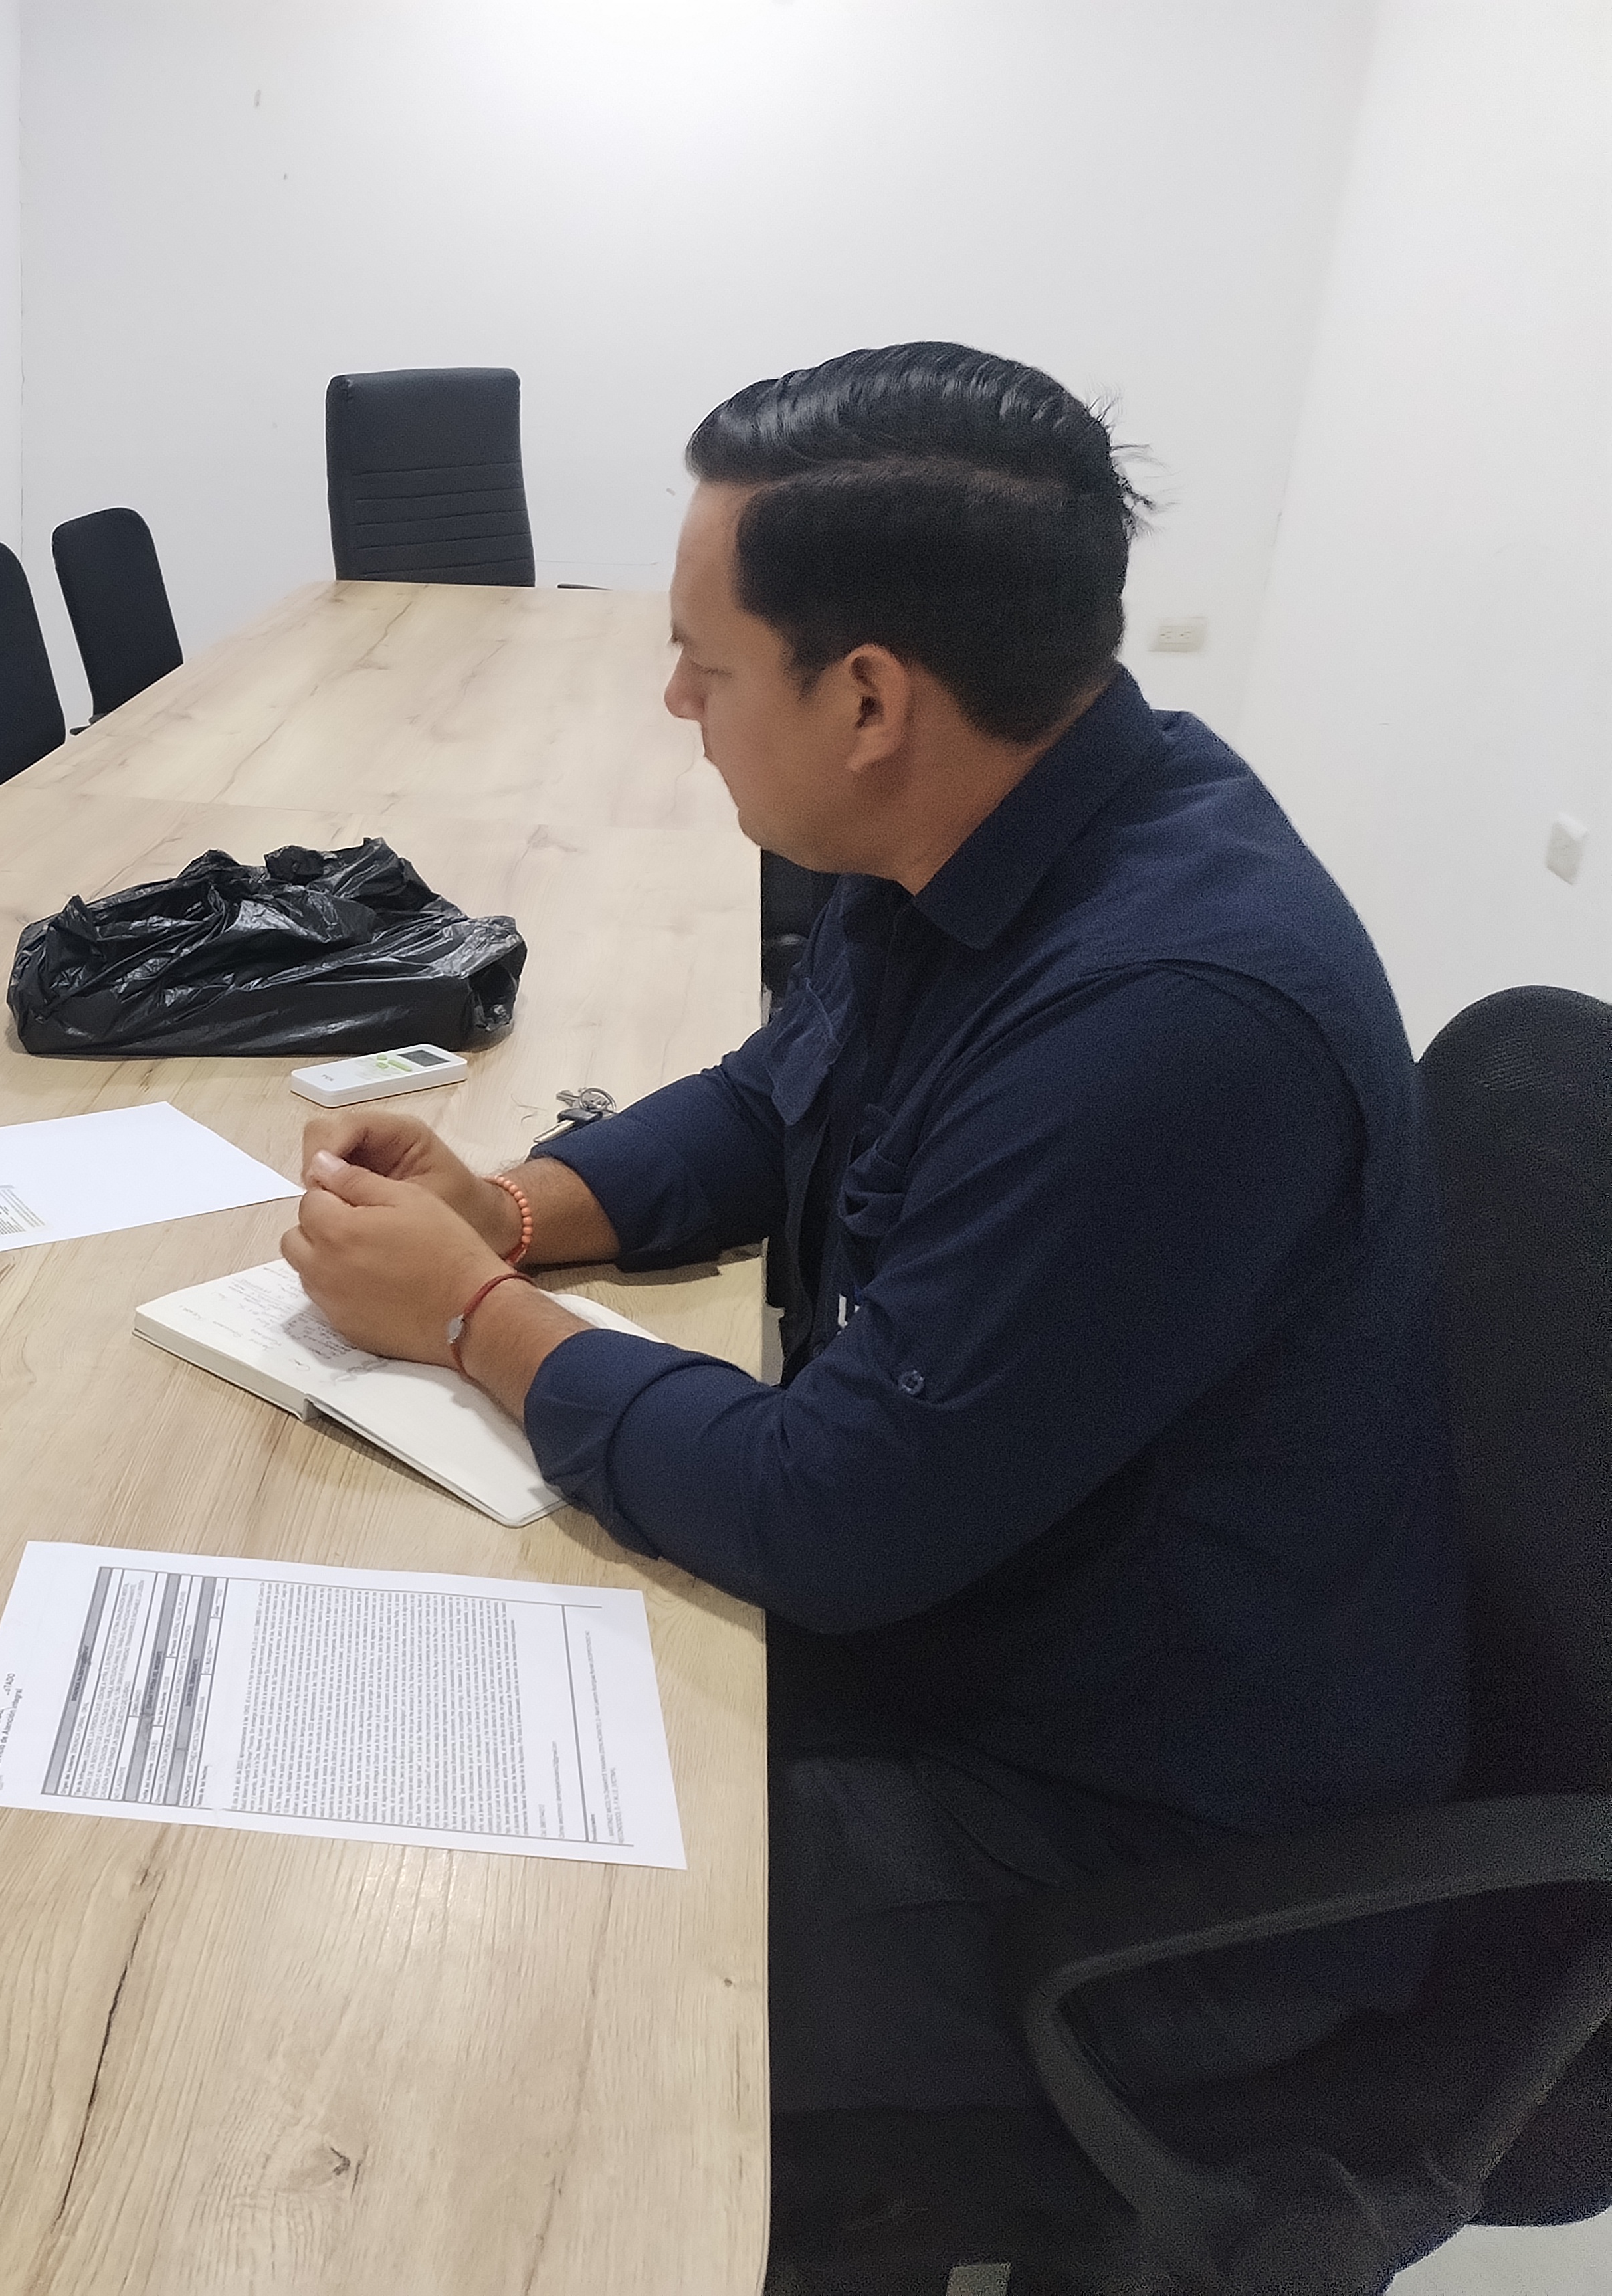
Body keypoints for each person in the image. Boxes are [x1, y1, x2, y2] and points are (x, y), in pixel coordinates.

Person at [281, 343, 1464, 2115]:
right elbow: (777, 1100)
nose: (674, 698)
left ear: (866, 702)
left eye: (705, 664)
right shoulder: (989, 827)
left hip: (1135, 1859)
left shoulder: (1170, 1028)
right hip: (982, 1619)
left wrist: (467, 1317)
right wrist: (509, 1209)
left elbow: (825, 1515)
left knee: (460, 1964)